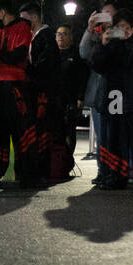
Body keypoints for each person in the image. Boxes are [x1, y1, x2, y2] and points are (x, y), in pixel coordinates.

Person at [86, 8, 133, 190]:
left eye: (126, 27)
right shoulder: (109, 43)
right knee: (113, 139)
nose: (122, 31)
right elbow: (96, 64)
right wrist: (103, 43)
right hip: (112, 99)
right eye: (118, 27)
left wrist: (130, 40)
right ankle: (114, 177)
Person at [0, 0, 37, 188]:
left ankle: (26, 174)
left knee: (20, 129)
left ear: (2, 12)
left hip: (15, 86)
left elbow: (18, 55)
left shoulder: (22, 28)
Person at [22, 4, 58, 182]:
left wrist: (27, 68)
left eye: (24, 19)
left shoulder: (47, 37)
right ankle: (32, 168)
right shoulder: (30, 36)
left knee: (43, 130)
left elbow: (46, 66)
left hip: (42, 92)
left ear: (34, 18)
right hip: (31, 91)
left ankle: (43, 170)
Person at [78, 0, 119, 159]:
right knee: (101, 136)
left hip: (116, 92)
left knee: (115, 134)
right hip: (97, 92)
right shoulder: (95, 34)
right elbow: (83, 52)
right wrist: (90, 28)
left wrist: (111, 32)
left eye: (109, 13)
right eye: (103, 13)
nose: (105, 17)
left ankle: (117, 170)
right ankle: (103, 171)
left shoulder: (122, 32)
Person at [51, 23, 89, 167]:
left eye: (64, 34)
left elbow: (82, 78)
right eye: (58, 34)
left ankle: (67, 161)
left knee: (69, 131)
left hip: (70, 100)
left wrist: (80, 97)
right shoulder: (52, 55)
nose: (61, 36)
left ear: (71, 38)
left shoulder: (76, 56)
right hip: (54, 100)